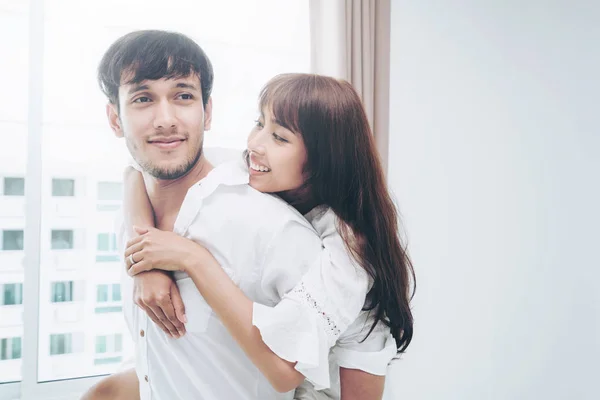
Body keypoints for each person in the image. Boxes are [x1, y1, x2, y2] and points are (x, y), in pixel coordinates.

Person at [83, 31, 414, 400]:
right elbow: (135, 171)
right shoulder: (228, 175)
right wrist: (145, 261)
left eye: (183, 96)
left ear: (207, 112)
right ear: (115, 120)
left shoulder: (318, 243)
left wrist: (192, 258)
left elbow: (287, 369)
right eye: (143, 98)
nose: (165, 119)